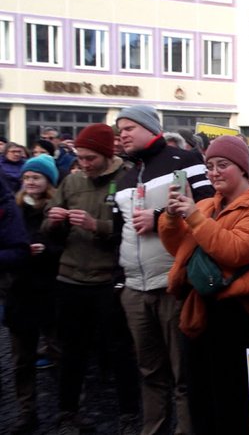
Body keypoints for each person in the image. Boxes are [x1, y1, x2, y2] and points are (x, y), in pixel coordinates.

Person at [159, 135, 249, 435]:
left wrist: (192, 216)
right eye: (210, 165)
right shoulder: (205, 205)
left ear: (242, 168)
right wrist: (171, 218)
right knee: (202, 399)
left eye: (222, 165)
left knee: (234, 403)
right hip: (202, 311)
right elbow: (180, 249)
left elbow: (236, 250)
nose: (214, 172)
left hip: (238, 318)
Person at [114, 105, 214, 435]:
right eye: (120, 129)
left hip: (173, 284)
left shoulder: (183, 162)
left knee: (183, 374)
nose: (123, 134)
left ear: (149, 127)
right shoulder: (126, 176)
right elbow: (122, 229)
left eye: (129, 127)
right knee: (149, 372)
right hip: (134, 288)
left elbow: (208, 206)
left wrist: (159, 218)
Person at [41, 124, 140, 434]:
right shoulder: (71, 182)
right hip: (70, 278)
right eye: (80, 157)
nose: (83, 164)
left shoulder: (127, 178)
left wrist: (96, 225)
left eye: (90, 158)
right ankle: (68, 414)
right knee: (72, 351)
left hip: (107, 279)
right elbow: (45, 227)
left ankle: (129, 415)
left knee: (120, 351)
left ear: (106, 154)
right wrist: (53, 221)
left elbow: (131, 229)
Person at [5, 154, 61, 434]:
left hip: (50, 291)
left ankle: (68, 409)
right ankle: (26, 412)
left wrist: (46, 251)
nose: (30, 182)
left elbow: (67, 248)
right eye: (27, 177)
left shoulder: (56, 210)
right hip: (20, 291)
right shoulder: (12, 208)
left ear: (48, 181)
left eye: (36, 177)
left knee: (59, 351)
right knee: (21, 361)